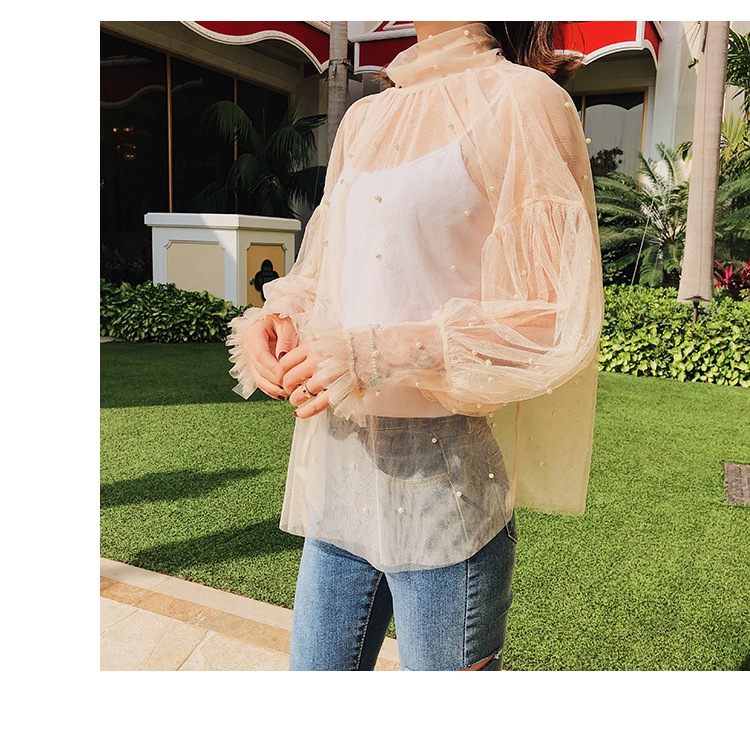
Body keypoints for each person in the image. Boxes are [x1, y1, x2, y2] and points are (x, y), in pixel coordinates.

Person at [228, 21, 604, 671]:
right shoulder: (365, 118)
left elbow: (553, 315)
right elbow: (327, 268)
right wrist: (279, 317)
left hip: (446, 499)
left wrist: (379, 353)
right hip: (340, 483)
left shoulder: (522, 99)